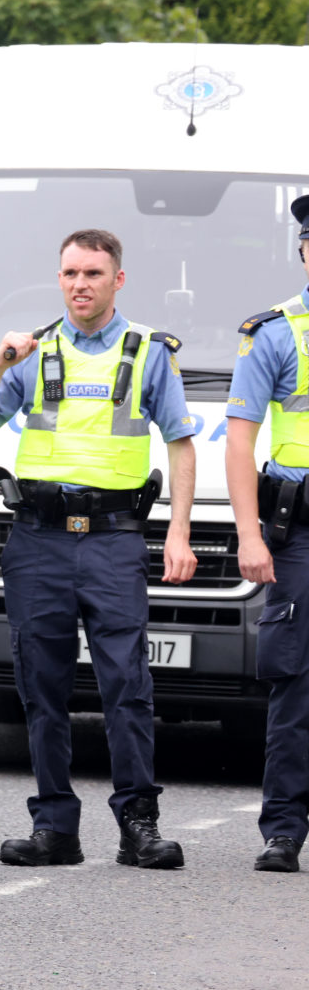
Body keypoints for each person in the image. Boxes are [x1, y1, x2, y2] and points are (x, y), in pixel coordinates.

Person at [0, 228, 198, 871]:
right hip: (38, 538)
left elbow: (180, 442)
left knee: (127, 683)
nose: (79, 284)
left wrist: (178, 531)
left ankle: (138, 826)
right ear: (58, 278)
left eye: (93, 273)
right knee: (42, 685)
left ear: (118, 279)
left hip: (115, 539)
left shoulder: (147, 351)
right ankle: (55, 829)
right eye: (69, 273)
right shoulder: (31, 353)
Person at [224, 193, 309, 874]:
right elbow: (239, 444)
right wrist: (249, 535)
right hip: (299, 534)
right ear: (305, 250)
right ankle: (283, 830)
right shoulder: (275, 334)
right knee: (295, 684)